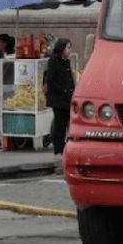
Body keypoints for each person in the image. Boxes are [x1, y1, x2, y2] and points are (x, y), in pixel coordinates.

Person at [46, 38, 76, 168]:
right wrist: (64, 91)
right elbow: (51, 81)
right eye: (68, 48)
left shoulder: (66, 62)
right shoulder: (53, 61)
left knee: (68, 124)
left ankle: (66, 148)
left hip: (68, 98)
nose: (69, 50)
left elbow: (69, 80)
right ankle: (58, 150)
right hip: (58, 99)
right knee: (60, 125)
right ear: (61, 48)